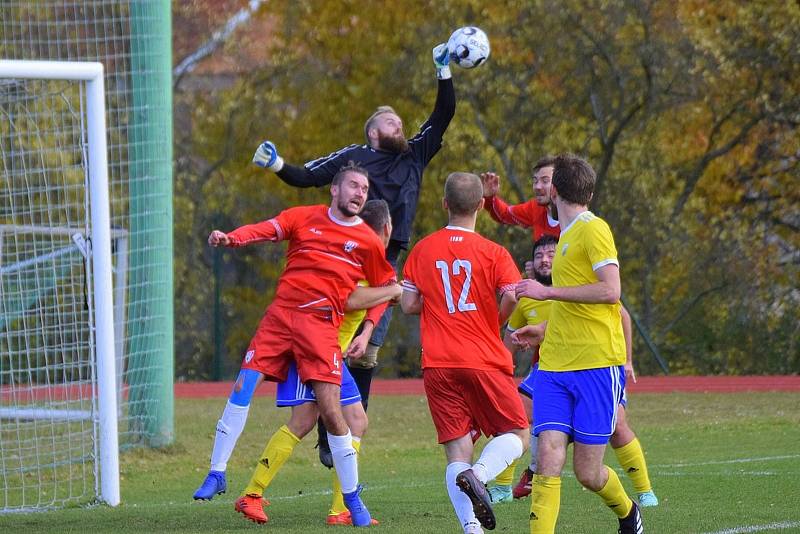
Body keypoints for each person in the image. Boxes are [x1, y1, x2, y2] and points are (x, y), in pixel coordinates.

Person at [252, 43, 457, 421]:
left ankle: (350, 418)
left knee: (369, 347)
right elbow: (307, 177)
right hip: (345, 260)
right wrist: (277, 163)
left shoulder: (414, 154)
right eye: (390, 121)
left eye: (399, 121)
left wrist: (442, 69)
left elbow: (443, 114)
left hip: (387, 261)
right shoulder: (356, 159)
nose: (399, 125)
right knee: (327, 342)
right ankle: (323, 419)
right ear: (373, 132)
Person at [192, 163, 397, 527]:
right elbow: (267, 229)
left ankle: (347, 501)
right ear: (334, 190)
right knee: (244, 385)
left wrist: (380, 314)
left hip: (320, 331)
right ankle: (217, 472)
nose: (359, 192)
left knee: (336, 417)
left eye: (364, 189)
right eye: (353, 185)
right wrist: (232, 238)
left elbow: (386, 286)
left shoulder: (366, 241)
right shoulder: (303, 217)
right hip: (281, 318)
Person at [513, 154, 644, 534]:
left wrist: (547, 291)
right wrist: (541, 331)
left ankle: (628, 512)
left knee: (588, 472)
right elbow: (572, 306)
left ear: (554, 190)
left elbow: (610, 290)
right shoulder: (565, 236)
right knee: (548, 456)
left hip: (597, 366)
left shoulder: (593, 228)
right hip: (554, 367)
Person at [401, 172, 529, 534]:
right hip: (483, 358)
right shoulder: (494, 252)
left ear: (445, 204)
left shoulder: (423, 248)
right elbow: (511, 296)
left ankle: (472, 530)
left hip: (438, 362)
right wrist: (494, 320)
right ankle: (482, 475)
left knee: (457, 451)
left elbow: (409, 303)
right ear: (480, 205)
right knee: (518, 434)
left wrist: (436, 303)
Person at [490, 237, 659, 509]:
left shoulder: (581, 288)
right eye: (539, 255)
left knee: (616, 426)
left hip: (596, 366)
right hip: (550, 369)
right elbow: (509, 342)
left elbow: (622, 316)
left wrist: (627, 360)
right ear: (532, 264)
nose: (545, 259)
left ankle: (644, 491)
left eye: (551, 254)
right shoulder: (528, 298)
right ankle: (501, 488)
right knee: (514, 414)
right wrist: (499, 370)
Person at [481, 155, 561, 243]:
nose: (537, 187)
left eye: (545, 181)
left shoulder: (575, 213)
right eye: (535, 181)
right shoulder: (535, 208)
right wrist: (489, 197)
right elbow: (505, 214)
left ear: (560, 183)